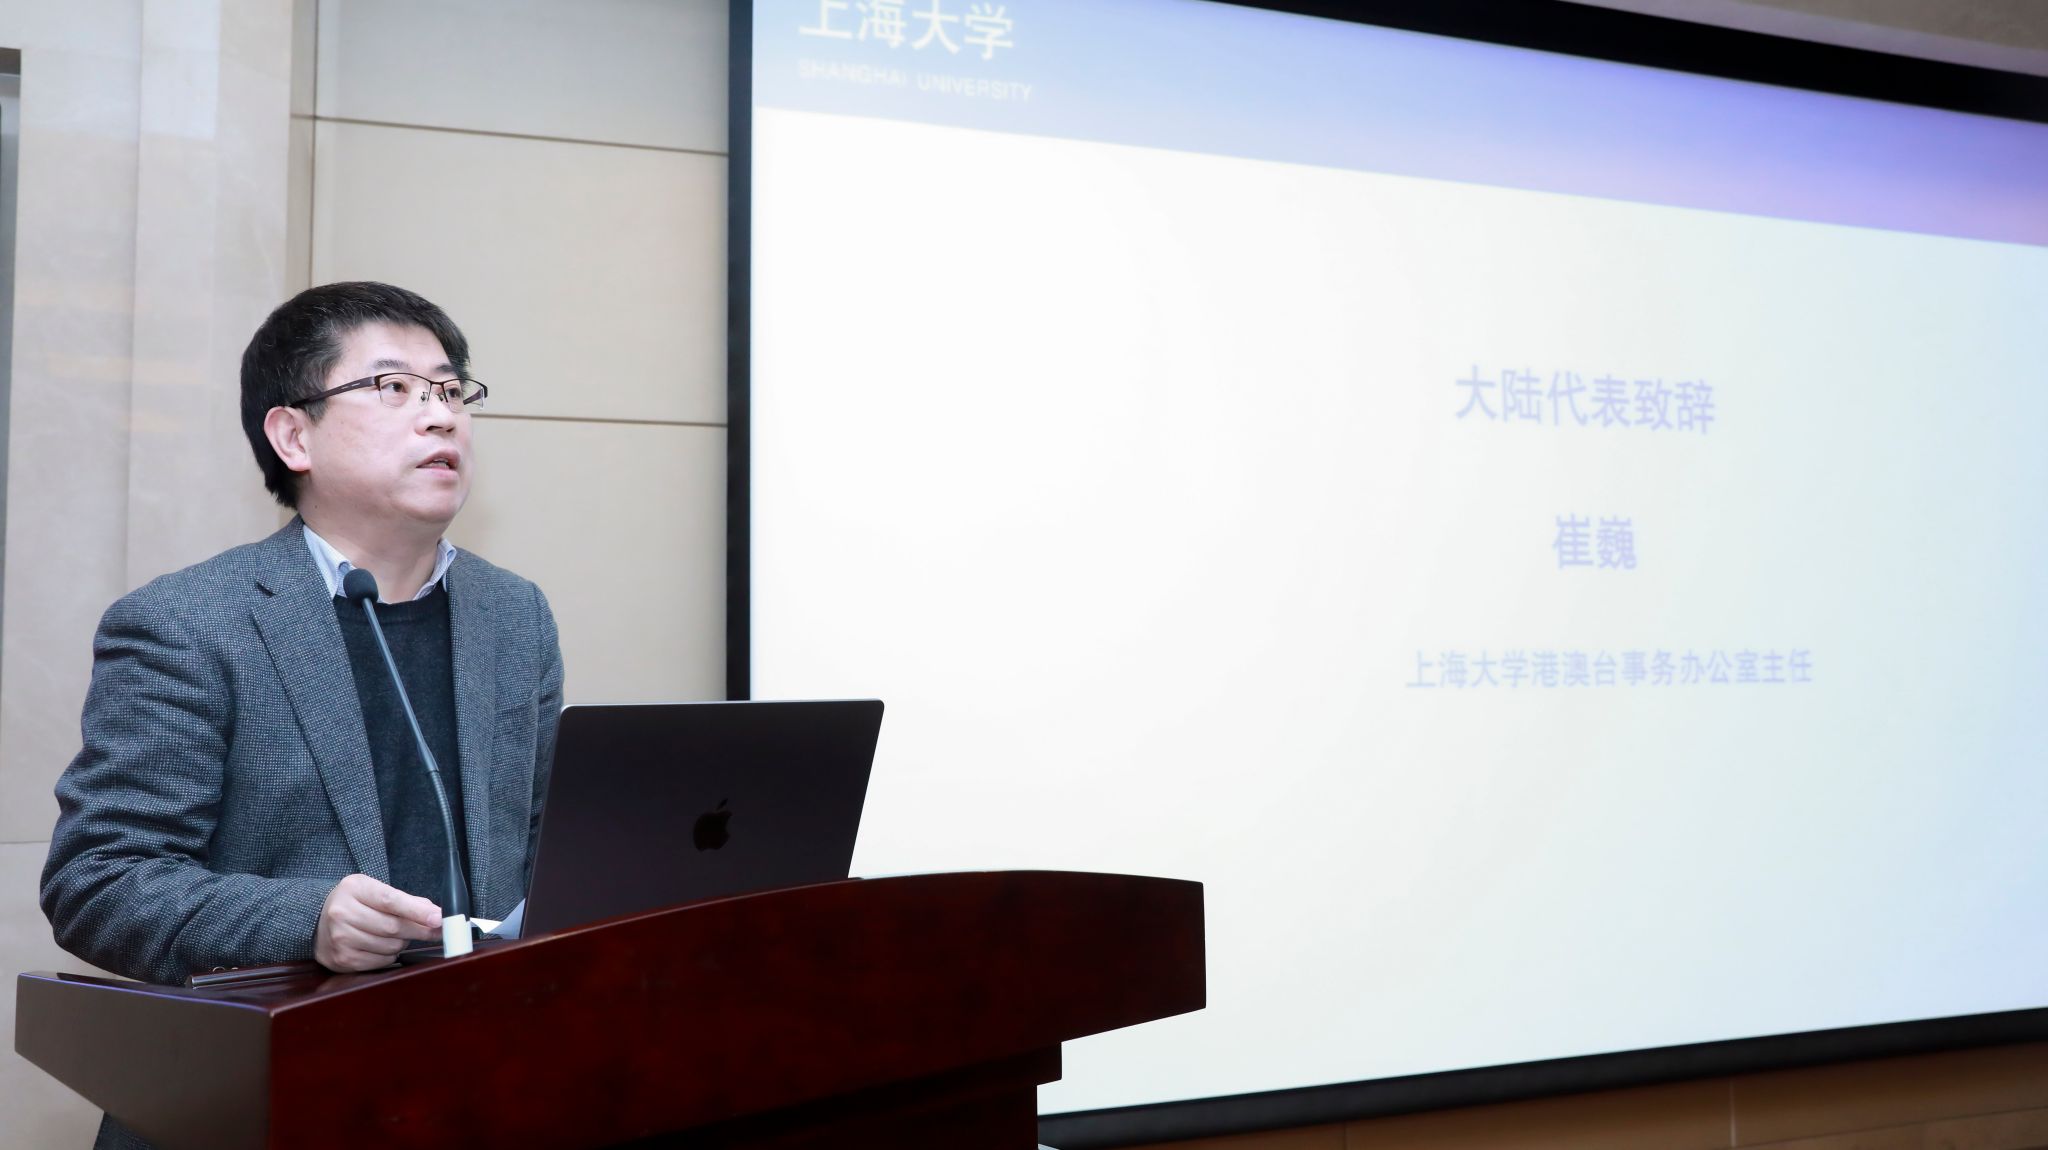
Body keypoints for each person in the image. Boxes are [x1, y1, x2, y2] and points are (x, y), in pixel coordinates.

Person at [40, 282, 563, 1144]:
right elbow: (99, 884)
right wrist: (309, 919)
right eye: (393, 387)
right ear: (293, 435)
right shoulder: (188, 623)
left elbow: (543, 852)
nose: (441, 416)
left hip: (475, 1083)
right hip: (257, 1102)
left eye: (450, 389)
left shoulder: (514, 615)